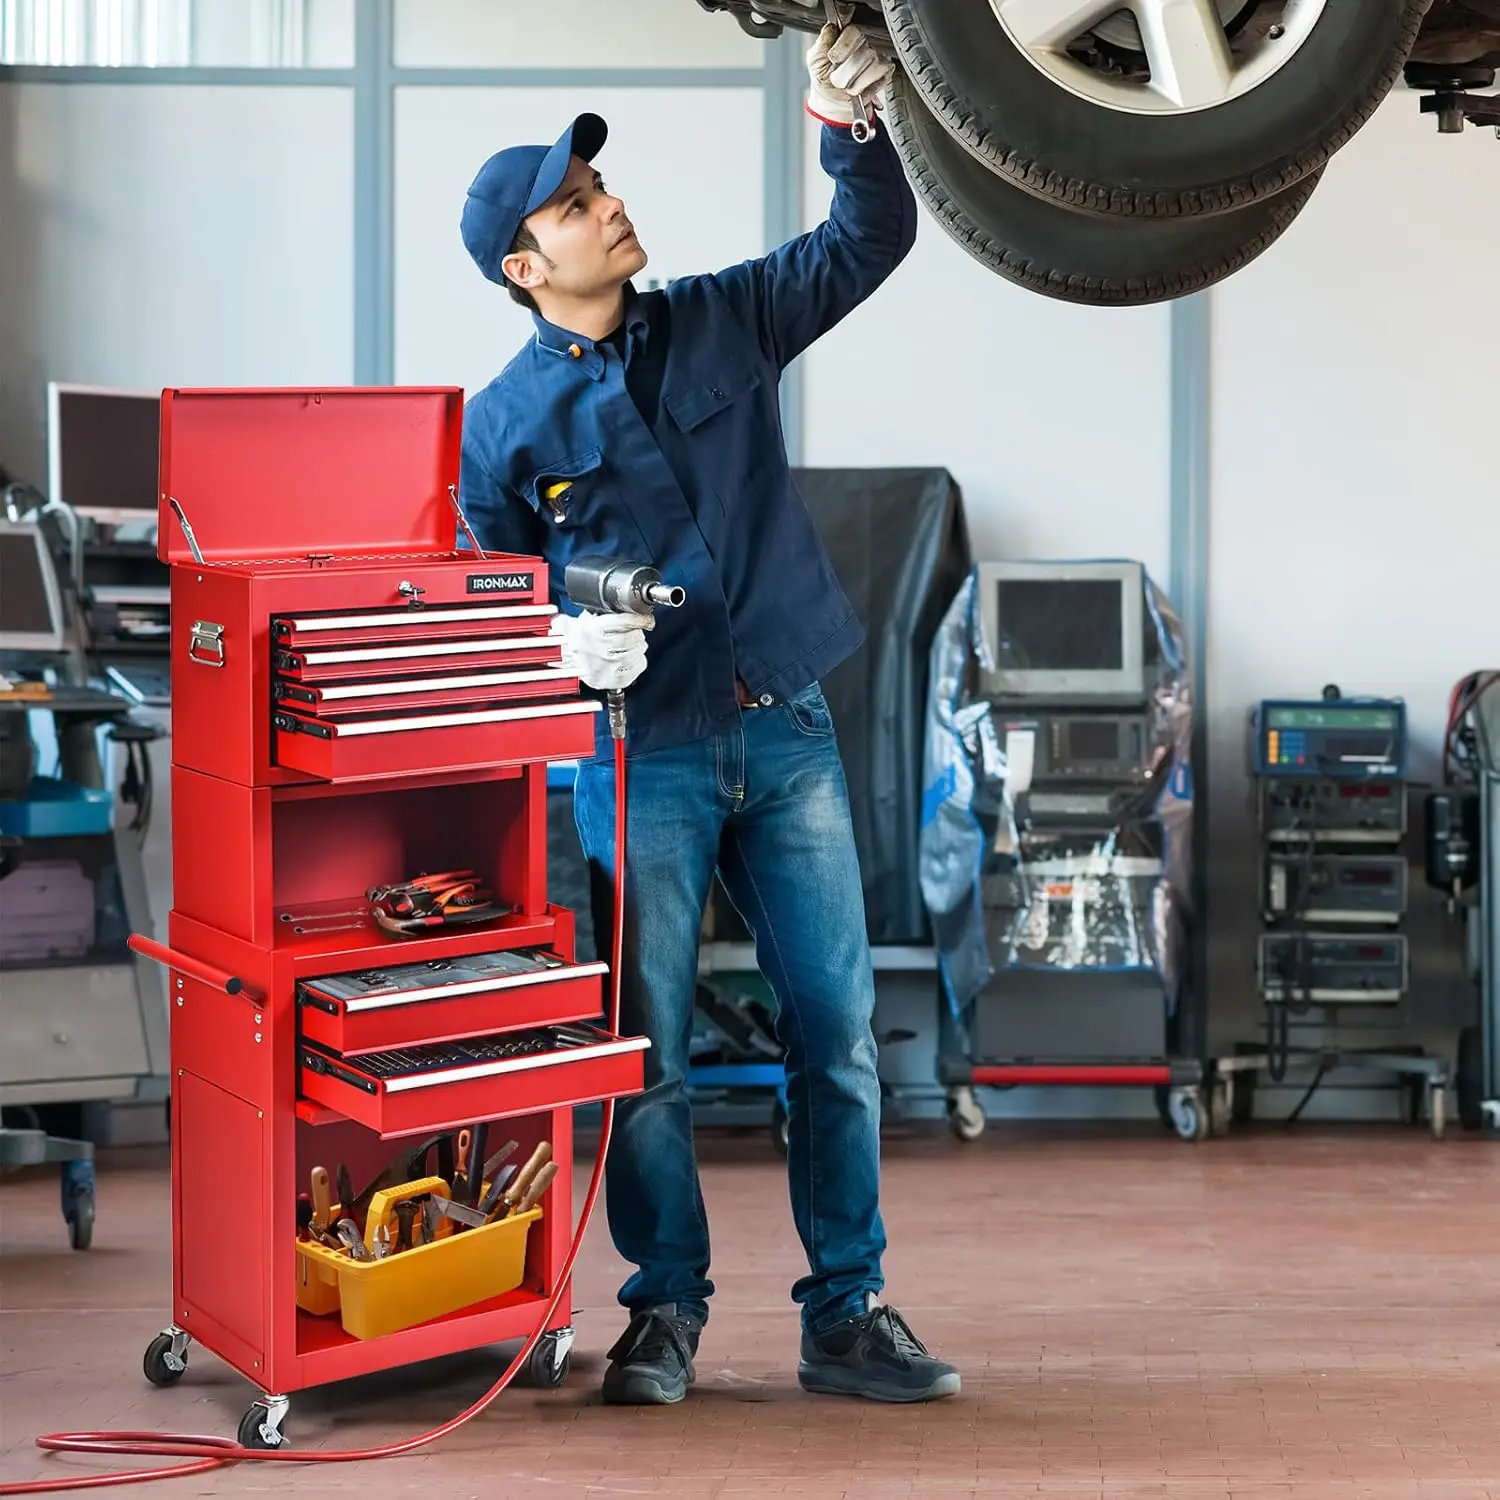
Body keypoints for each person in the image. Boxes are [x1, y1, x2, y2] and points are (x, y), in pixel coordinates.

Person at [456, 16, 958, 1407]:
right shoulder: (499, 430)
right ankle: (664, 1308)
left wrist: (841, 122)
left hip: (786, 726)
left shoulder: (725, 315)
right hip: (637, 756)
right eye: (573, 205)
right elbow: (491, 602)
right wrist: (566, 638)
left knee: (836, 1034)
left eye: (599, 189)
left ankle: (846, 1312)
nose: (608, 206)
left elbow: (867, 242)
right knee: (647, 1056)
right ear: (523, 266)